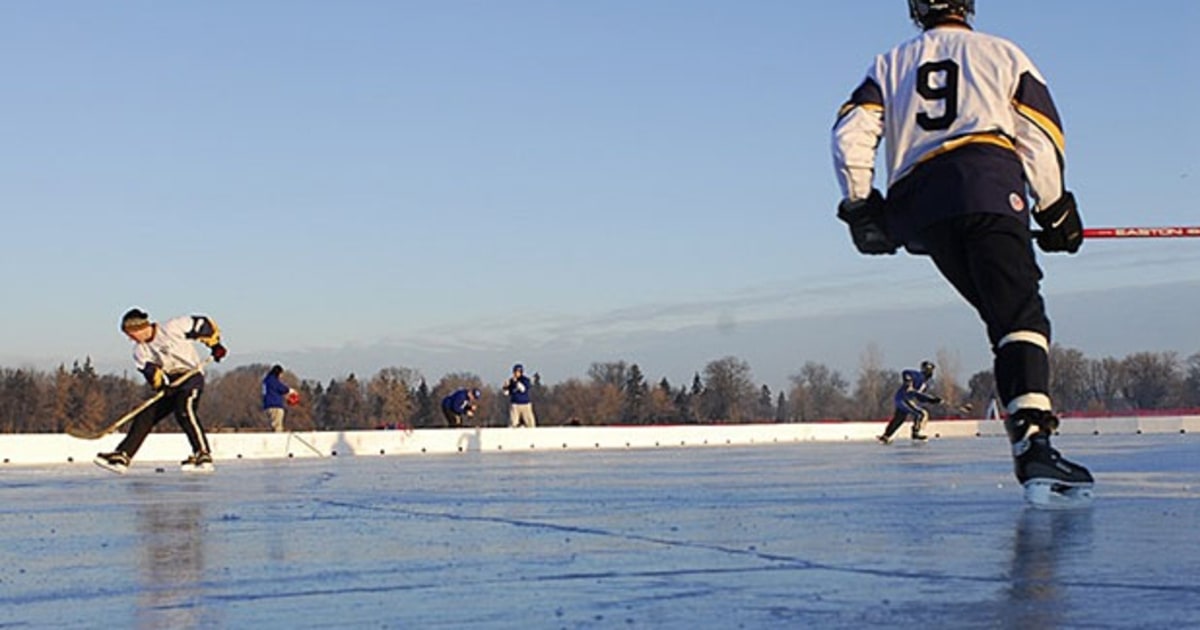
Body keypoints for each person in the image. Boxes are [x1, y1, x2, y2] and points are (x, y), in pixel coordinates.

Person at [832, 0, 1092, 505]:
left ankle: (1030, 439)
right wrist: (1055, 208)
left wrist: (862, 205)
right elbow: (1038, 132)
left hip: (921, 206)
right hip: (983, 185)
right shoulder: (1000, 53)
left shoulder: (888, 63)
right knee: (1021, 315)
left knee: (1003, 318)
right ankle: (1034, 443)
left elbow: (850, 135)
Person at [94, 308, 227, 474]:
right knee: (146, 415)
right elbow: (152, 374)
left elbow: (203, 324)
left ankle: (203, 454)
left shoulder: (173, 327)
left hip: (191, 377)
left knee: (184, 411)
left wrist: (215, 345)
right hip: (172, 383)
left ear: (139, 328)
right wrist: (162, 386)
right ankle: (123, 455)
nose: (130, 339)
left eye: (130, 334)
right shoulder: (140, 351)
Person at [878, 361, 941, 444]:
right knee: (921, 414)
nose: (930, 373)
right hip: (903, 398)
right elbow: (906, 372)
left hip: (903, 399)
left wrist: (932, 400)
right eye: (929, 370)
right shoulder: (918, 376)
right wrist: (908, 382)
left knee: (899, 419)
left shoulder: (924, 384)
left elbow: (919, 397)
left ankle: (886, 436)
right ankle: (916, 433)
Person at [262, 364, 298, 433]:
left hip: (267, 406)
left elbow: (274, 391)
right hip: (275, 406)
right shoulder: (272, 380)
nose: (281, 376)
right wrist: (290, 391)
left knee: (272, 425)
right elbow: (281, 388)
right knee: (277, 427)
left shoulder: (266, 381)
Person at [502, 364, 537, 428]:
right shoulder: (511, 381)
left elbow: (522, 389)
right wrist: (505, 387)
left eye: (517, 372)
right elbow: (506, 393)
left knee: (530, 424)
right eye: (515, 372)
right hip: (515, 405)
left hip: (525, 404)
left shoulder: (525, 380)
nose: (515, 373)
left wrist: (515, 382)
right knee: (513, 423)